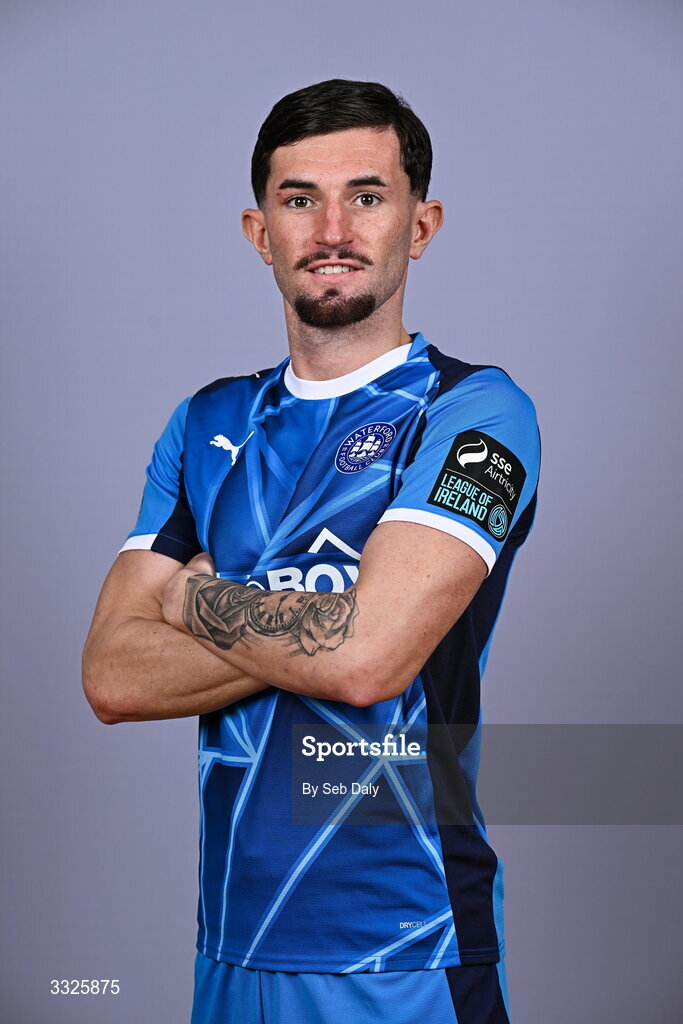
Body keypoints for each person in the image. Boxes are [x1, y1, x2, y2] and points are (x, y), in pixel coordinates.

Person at [82, 79, 540, 1024]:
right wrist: (325, 629)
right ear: (261, 231)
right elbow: (112, 677)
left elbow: (371, 660)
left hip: (402, 945)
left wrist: (190, 599)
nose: (333, 227)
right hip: (229, 945)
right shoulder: (206, 421)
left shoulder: (474, 414)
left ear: (420, 224)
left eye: (367, 196)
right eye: (300, 200)